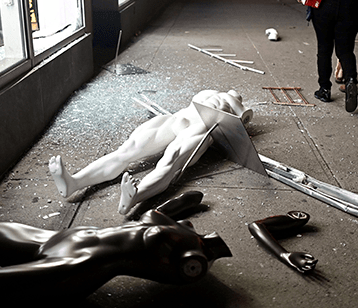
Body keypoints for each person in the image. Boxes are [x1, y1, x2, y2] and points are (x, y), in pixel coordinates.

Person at [0, 191, 231, 308]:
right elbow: (184, 200)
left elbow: (183, 267)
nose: (215, 238)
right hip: (54, 240)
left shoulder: (190, 258)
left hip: (73, 268)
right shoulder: (183, 231)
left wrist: (198, 258)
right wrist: (185, 202)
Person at [49, 90, 253, 215]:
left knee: (171, 161)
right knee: (127, 150)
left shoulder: (237, 106)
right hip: (176, 119)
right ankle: (73, 182)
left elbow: (238, 129)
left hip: (202, 128)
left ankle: (136, 196)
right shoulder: (213, 94)